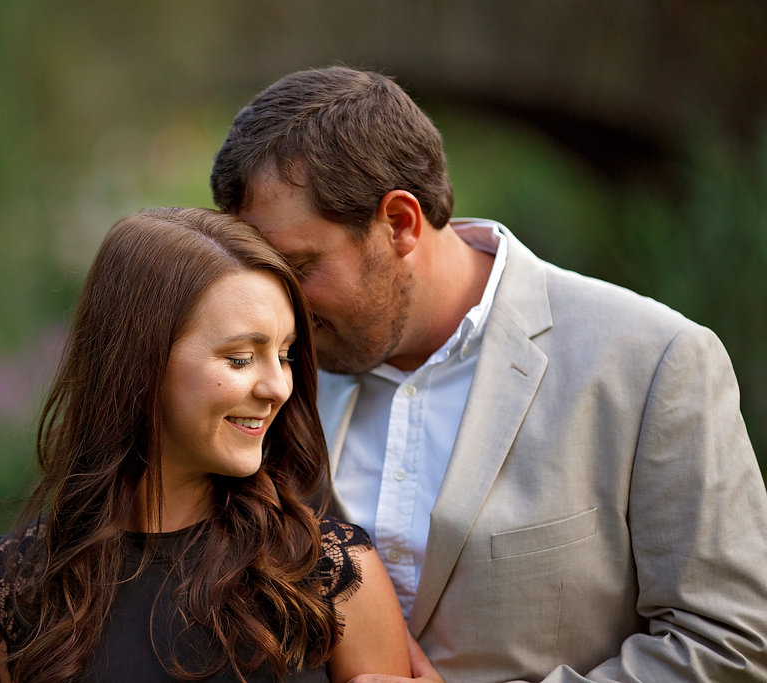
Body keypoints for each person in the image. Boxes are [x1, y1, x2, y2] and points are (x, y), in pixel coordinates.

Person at [210, 66, 767, 682]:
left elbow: (733, 646)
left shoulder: (653, 362)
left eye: (298, 266)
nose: (279, 303)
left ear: (399, 222)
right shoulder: (271, 370)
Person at [0, 207, 430, 682]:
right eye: (240, 358)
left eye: (284, 354)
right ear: (139, 361)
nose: (279, 387)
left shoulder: (334, 575)